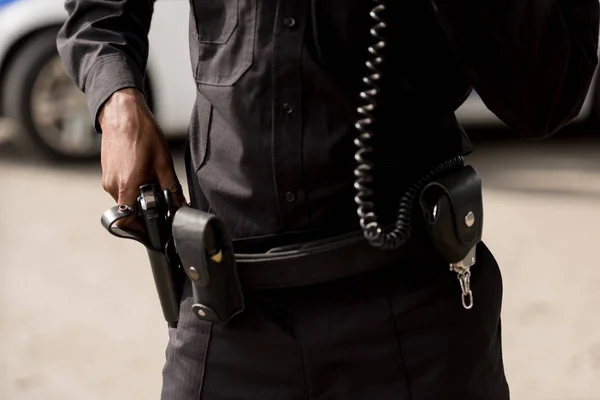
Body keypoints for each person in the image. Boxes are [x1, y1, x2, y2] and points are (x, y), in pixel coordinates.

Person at [57, 0, 599, 399]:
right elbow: (99, 12)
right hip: (228, 311)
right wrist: (116, 100)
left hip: (412, 312)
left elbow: (546, 97)